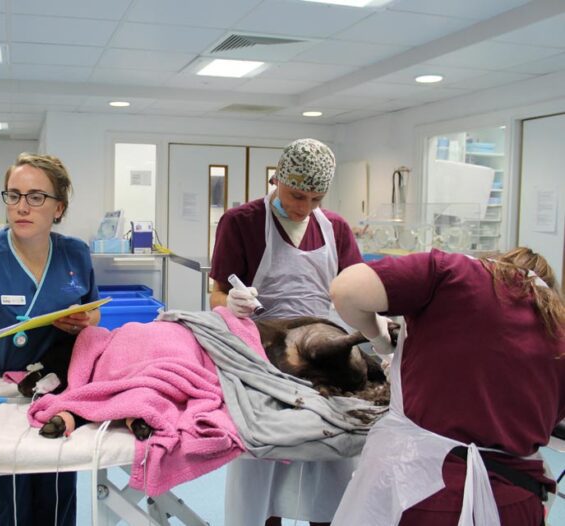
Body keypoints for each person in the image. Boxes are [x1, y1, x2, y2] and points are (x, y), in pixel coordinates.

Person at [329, 247, 565, 525]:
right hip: (516, 503)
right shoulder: (557, 326)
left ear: (498, 264)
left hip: (428, 492)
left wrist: (380, 339)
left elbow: (346, 290)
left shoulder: (456, 272)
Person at [209, 138, 363, 526]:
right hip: (262, 361)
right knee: (264, 466)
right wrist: (232, 305)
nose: (304, 208)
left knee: (329, 462)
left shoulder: (336, 228)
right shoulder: (241, 222)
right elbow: (217, 294)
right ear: (277, 179)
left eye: (315, 199)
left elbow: (354, 290)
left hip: (323, 360)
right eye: (296, 195)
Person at [0, 153, 100, 526]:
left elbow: (94, 309)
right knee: (11, 503)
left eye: (36, 197)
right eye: (14, 195)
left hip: (54, 390)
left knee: (57, 498)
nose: (22, 206)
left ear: (59, 207)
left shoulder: (75, 253)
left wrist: (85, 320)